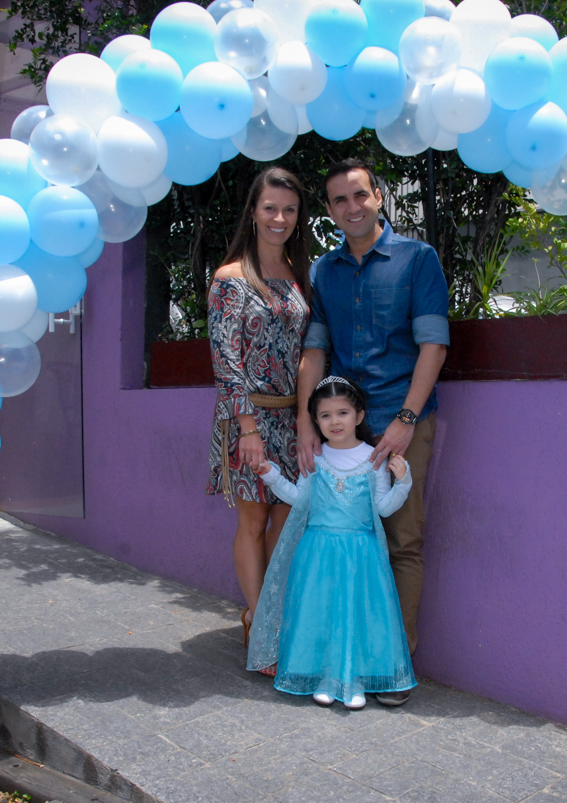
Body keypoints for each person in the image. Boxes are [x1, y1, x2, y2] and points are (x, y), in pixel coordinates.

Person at [296, 158, 449, 707]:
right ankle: (343, 661)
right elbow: (314, 349)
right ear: (331, 210)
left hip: (401, 417)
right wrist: (303, 421)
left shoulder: (417, 259)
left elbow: (433, 343)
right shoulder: (324, 272)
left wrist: (406, 420)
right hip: (338, 427)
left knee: (402, 542)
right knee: (343, 543)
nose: (351, 207)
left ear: (379, 196)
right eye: (339, 200)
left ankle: (392, 665)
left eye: (359, 195)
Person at [247, 377, 415, 709]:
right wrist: (270, 473)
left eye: (342, 413)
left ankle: (352, 679)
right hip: (317, 551)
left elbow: (382, 509)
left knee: (354, 611)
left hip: (360, 553)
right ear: (316, 421)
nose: (335, 422)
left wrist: (404, 481)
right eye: (325, 415)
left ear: (360, 416)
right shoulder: (316, 458)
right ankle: (324, 676)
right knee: (319, 611)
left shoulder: (374, 458)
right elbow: (299, 500)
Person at [205, 167, 311, 653]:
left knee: (288, 518)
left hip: (292, 420)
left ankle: (267, 609)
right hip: (247, 419)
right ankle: (257, 621)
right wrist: (248, 428)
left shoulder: (298, 273)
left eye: (289, 209)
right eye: (270, 207)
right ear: (253, 211)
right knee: (252, 522)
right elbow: (226, 361)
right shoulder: (230, 279)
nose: (280, 218)